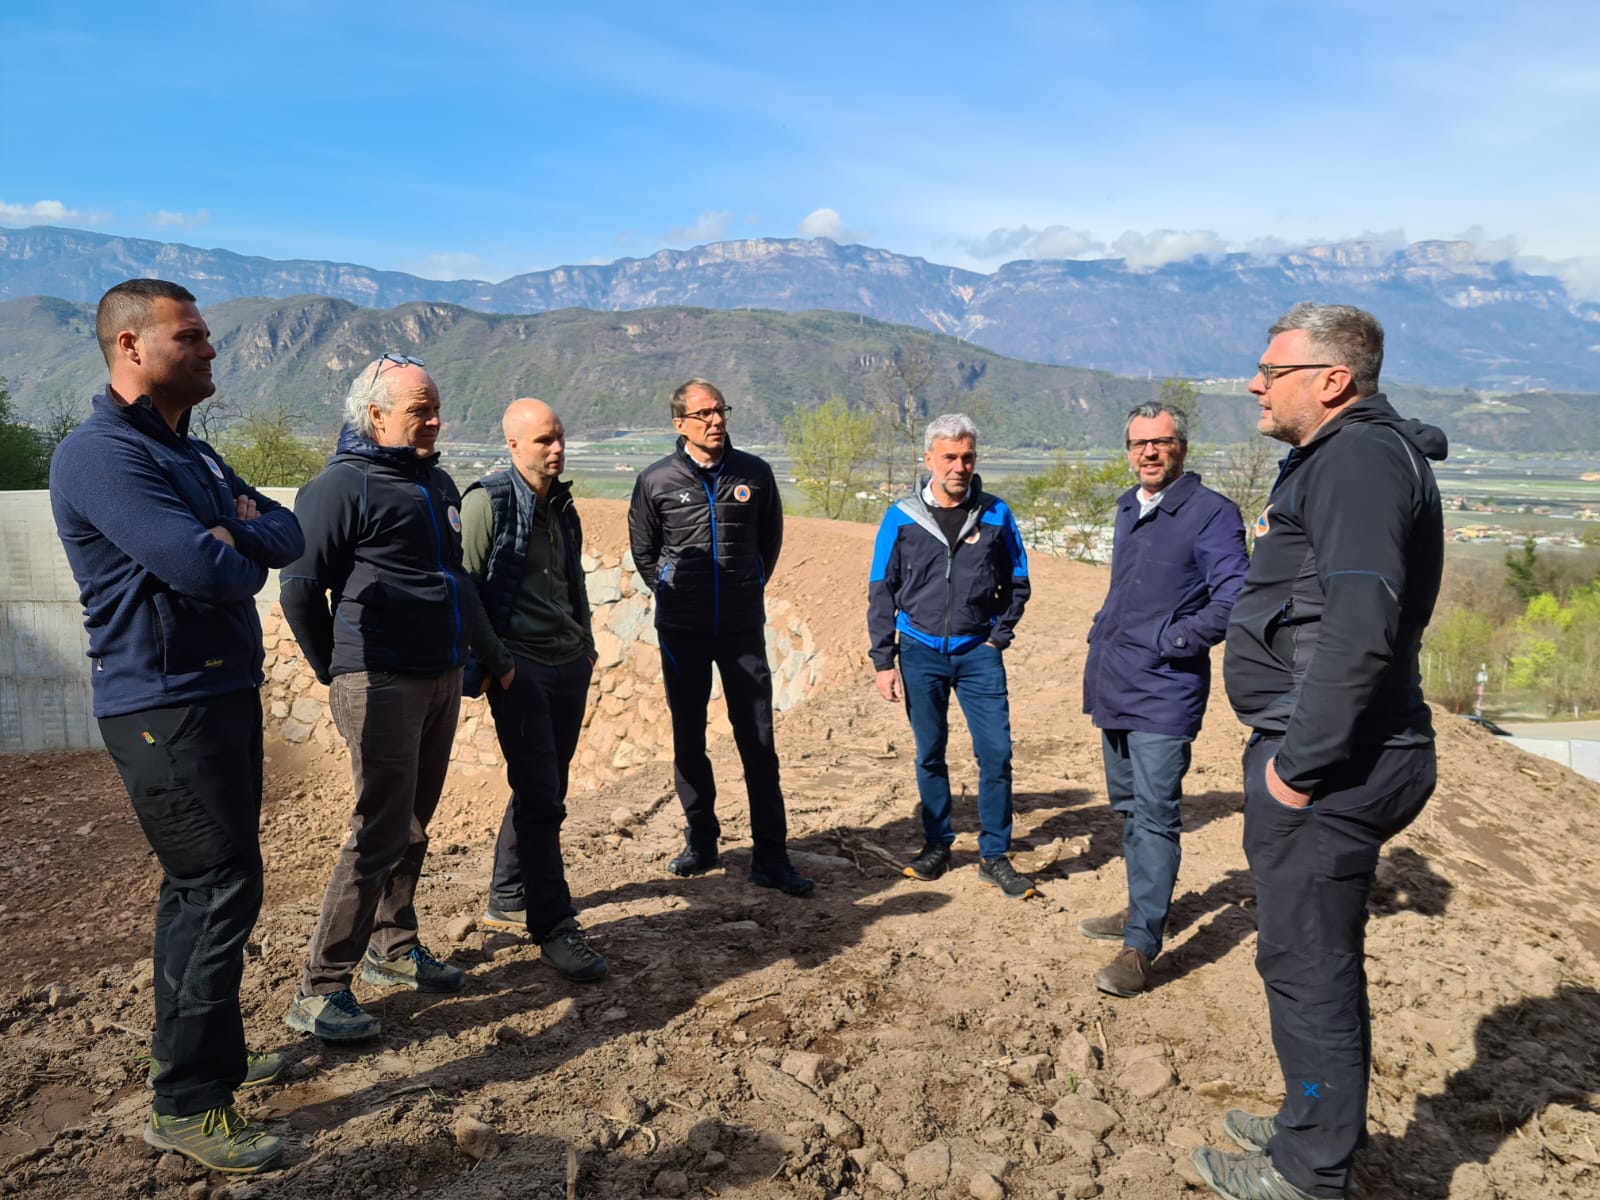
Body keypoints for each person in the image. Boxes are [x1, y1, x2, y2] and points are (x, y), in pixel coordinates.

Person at [49, 279, 304, 1173]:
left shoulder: (186, 453)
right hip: (164, 707)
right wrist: (228, 539)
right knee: (218, 884)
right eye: (191, 337)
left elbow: (288, 533)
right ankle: (189, 1102)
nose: (210, 350)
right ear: (130, 347)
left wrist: (239, 534)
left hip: (214, 694)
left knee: (203, 884)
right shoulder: (100, 455)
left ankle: (200, 1058)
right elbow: (207, 570)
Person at [1196, 304, 1446, 1200]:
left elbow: (1358, 625)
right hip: (1340, 750)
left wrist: (1297, 768)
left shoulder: (1359, 462)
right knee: (1304, 961)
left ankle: (1309, 1172)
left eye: (1272, 370)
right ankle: (1312, 1119)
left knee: (1309, 969)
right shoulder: (1349, 457)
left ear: (1331, 380)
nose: (1255, 385)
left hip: (1339, 764)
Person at [280, 354, 502, 1040]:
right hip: (376, 679)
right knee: (378, 829)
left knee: (412, 823)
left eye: (436, 408)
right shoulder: (339, 486)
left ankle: (394, 949)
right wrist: (337, 668)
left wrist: (471, 656)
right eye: (419, 411)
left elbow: (454, 577)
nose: (434, 421)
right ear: (375, 417)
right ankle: (320, 989)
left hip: (436, 673)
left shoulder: (433, 481)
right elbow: (298, 588)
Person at [1079, 402, 1248, 996]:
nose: (1149, 452)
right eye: (1138, 443)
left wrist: (1170, 640)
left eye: (1161, 441)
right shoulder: (1130, 505)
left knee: (1154, 817)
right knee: (1128, 809)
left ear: (1182, 447)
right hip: (1115, 681)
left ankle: (1141, 946)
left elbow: (1233, 598)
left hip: (1164, 690)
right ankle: (1138, 915)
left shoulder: (1211, 514)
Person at [626, 378, 813, 895]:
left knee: (758, 741)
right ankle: (702, 841)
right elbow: (645, 551)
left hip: (741, 629)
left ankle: (771, 856)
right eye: (704, 413)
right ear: (679, 423)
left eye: (721, 410)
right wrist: (673, 590)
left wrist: (746, 582)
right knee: (689, 739)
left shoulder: (754, 473)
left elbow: (769, 540)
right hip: (681, 632)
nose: (716, 420)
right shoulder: (655, 480)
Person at [461, 398, 606, 981]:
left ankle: (507, 894)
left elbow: (572, 582)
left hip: (568, 661)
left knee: (544, 785)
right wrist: (500, 662)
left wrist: (588, 645)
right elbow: (464, 590)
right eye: (543, 439)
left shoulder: (562, 504)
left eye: (560, 437)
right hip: (520, 669)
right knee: (544, 794)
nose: (556, 448)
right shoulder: (486, 501)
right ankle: (553, 925)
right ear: (513, 445)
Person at [867, 413, 1035, 898]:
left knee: (996, 754)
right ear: (928, 460)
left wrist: (997, 637)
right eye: (949, 457)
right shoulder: (901, 517)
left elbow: (1018, 583)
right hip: (919, 652)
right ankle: (937, 844)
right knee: (930, 753)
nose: (959, 466)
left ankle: (994, 854)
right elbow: (882, 589)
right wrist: (884, 660)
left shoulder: (997, 513)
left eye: (967, 457)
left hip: (978, 654)